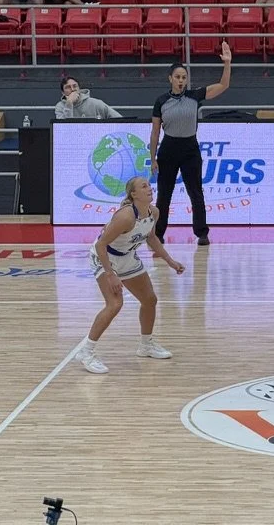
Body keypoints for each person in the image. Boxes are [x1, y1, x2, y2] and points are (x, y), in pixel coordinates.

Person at [73, 176, 186, 374]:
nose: (149, 188)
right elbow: (101, 245)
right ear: (133, 194)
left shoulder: (154, 212)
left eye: (149, 185)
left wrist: (170, 261)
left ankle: (146, 345)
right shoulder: (126, 216)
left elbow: (152, 238)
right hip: (104, 257)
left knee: (150, 300)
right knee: (115, 304)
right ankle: (86, 351)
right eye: (144, 186)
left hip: (127, 256)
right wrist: (110, 274)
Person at [149, 43, 232, 246]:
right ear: (170, 78)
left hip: (190, 149)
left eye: (184, 77)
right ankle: (158, 234)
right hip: (168, 149)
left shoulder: (195, 96)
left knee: (196, 192)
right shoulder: (161, 101)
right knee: (164, 195)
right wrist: (152, 158)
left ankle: (202, 233)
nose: (181, 80)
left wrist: (227, 63)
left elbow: (223, 85)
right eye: (177, 77)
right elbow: (155, 131)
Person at [55, 76, 121, 119]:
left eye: (75, 86)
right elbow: (64, 128)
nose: (72, 89)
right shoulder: (60, 107)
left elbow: (119, 119)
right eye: (68, 87)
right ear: (63, 92)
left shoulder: (95, 103)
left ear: (79, 89)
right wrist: (69, 104)